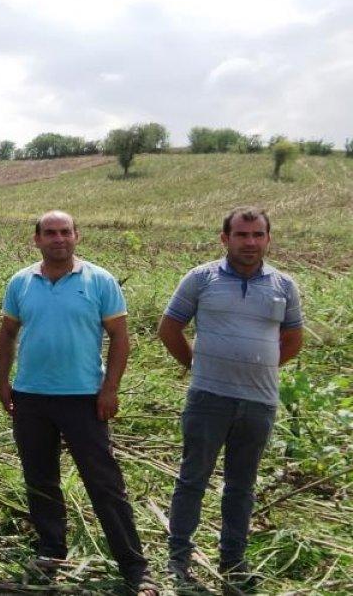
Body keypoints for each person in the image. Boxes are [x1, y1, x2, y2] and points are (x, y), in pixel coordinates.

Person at [0, 210, 156, 595]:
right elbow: (7, 333)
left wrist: (110, 388)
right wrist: (3, 382)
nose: (58, 239)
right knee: (40, 479)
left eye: (65, 232)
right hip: (31, 397)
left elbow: (120, 337)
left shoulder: (99, 281)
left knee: (104, 483)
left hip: (83, 398)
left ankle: (135, 567)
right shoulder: (21, 282)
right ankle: (51, 551)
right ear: (37, 239)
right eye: (50, 233)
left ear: (76, 236)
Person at [159, 206, 303, 591]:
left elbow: (293, 339)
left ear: (268, 239)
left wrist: (262, 367)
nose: (250, 242)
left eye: (257, 235)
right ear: (225, 239)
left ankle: (233, 562)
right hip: (209, 398)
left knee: (242, 485)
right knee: (193, 478)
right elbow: (169, 328)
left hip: (258, 403)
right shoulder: (201, 279)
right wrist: (195, 365)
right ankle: (178, 558)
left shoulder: (284, 286)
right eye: (241, 235)